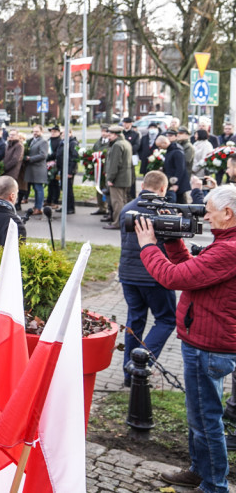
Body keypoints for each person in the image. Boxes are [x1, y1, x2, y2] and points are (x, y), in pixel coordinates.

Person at [136, 185, 236, 493]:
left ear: (228, 213)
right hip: (207, 339)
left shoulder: (228, 250)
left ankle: (214, 485)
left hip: (208, 345)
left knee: (206, 421)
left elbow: (172, 278)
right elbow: (189, 271)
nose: (204, 215)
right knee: (200, 416)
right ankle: (199, 471)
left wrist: (148, 246)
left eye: (208, 210)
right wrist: (173, 240)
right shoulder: (225, 244)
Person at [116, 171, 175, 387]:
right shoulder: (164, 210)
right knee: (167, 319)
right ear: (162, 189)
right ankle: (140, 365)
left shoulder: (127, 208)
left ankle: (128, 375)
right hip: (155, 275)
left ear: (143, 185)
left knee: (135, 320)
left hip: (128, 275)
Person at [104, 125, 135, 230]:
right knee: (124, 201)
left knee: (117, 202)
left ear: (116, 135)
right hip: (126, 178)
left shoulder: (117, 145)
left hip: (118, 179)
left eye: (111, 134)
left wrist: (110, 178)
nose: (109, 136)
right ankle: (126, 222)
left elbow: (114, 164)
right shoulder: (126, 143)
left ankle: (118, 222)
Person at [159, 130, 190, 204]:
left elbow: (180, 169)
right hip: (173, 180)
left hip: (177, 182)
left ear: (165, 143)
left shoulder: (177, 151)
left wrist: (176, 184)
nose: (159, 148)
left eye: (160, 146)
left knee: (181, 203)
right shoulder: (170, 150)